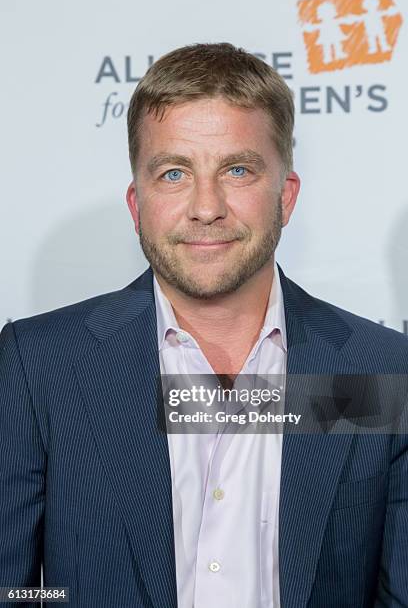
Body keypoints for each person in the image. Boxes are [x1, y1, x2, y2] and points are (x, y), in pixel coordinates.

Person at [0, 43, 407, 608]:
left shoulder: (383, 369)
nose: (206, 206)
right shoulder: (40, 363)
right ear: (136, 202)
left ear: (285, 197)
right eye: (173, 173)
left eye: (237, 170)